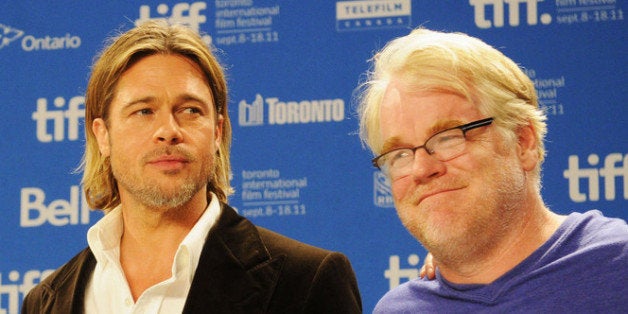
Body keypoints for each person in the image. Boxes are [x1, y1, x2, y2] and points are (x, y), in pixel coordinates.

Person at [22, 21, 362, 314]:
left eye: (190, 110)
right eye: (144, 111)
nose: (168, 130)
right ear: (103, 136)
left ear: (217, 131)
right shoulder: (45, 302)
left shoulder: (306, 281)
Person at [357, 28, 627, 312]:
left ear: (523, 142)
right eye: (399, 154)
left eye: (448, 137)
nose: (421, 168)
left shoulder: (617, 264)